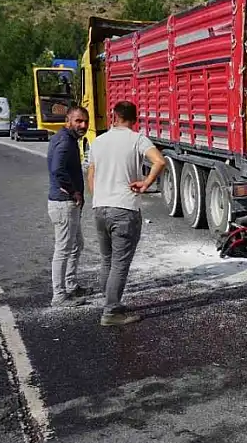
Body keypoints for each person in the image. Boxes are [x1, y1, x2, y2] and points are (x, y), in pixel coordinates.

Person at [86, 100, 166, 326]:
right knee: (120, 263)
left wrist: (98, 197)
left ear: (113, 117)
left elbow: (91, 174)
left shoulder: (98, 142)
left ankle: (110, 302)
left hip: (100, 207)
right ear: (134, 120)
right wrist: (146, 183)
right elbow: (159, 161)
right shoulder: (137, 139)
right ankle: (111, 312)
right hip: (124, 208)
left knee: (107, 260)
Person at [46, 105, 92, 306]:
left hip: (67, 204)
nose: (82, 125)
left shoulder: (66, 138)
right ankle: (59, 295)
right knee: (64, 249)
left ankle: (71, 285)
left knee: (76, 245)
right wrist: (73, 191)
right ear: (68, 121)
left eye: (85, 121)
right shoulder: (65, 141)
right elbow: (57, 170)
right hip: (64, 204)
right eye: (78, 121)